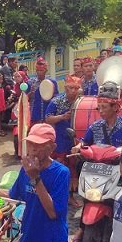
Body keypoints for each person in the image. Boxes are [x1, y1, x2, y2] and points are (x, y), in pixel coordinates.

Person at [8, 123, 75, 242]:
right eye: (31, 145)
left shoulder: (61, 173)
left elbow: (53, 212)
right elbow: (15, 197)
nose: (34, 150)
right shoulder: (26, 169)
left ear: (52, 148)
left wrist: (36, 178)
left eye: (39, 146)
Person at [68, 85, 122, 242]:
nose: (100, 110)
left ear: (115, 107)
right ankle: (83, 228)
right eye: (99, 107)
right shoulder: (95, 126)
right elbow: (85, 141)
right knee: (88, 196)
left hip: (121, 173)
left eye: (104, 107)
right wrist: (78, 146)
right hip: (97, 171)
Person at [45, 75, 82, 207]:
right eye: (71, 88)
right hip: (60, 140)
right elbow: (48, 118)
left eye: (76, 88)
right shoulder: (57, 101)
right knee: (60, 168)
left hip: (76, 140)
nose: (73, 91)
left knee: (74, 169)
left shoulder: (81, 101)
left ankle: (70, 196)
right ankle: (55, 195)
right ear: (65, 88)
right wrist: (62, 117)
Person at [27, 57, 58, 125]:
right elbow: (25, 99)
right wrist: (30, 92)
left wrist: (50, 99)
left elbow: (56, 97)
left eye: (41, 70)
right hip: (34, 114)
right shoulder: (31, 82)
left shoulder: (52, 82)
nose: (39, 72)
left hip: (47, 113)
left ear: (45, 70)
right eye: (38, 70)